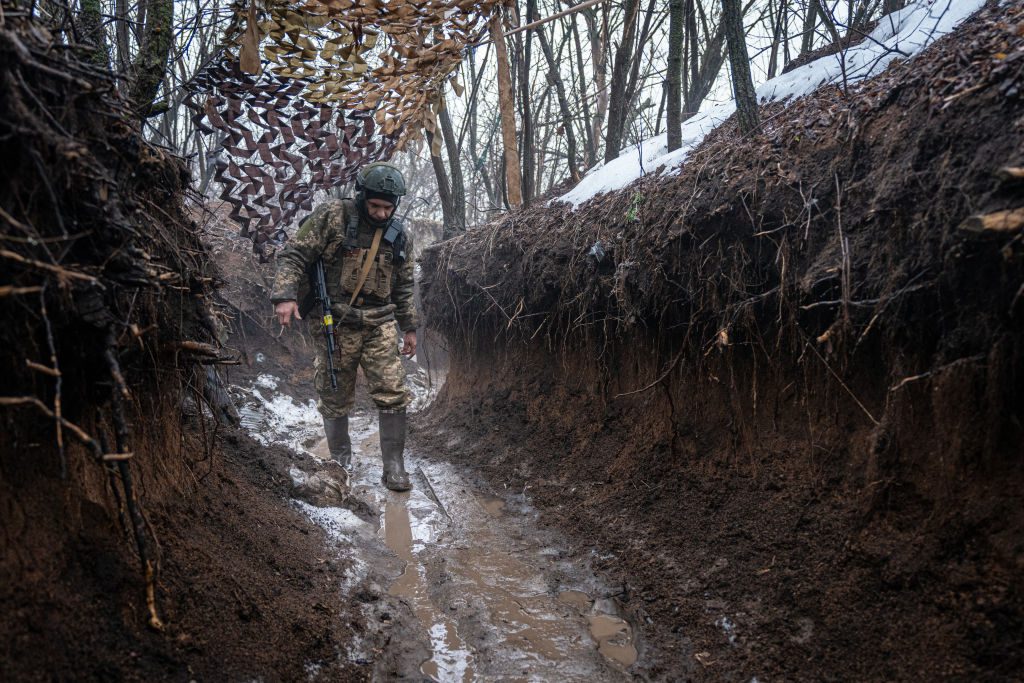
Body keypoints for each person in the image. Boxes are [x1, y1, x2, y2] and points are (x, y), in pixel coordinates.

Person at [271, 162, 418, 491]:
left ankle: (394, 465)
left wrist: (410, 327)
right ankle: (341, 458)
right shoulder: (332, 216)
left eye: (388, 207)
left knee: (393, 393)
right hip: (335, 322)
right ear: (362, 197)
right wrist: (285, 295)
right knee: (334, 393)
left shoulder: (400, 236)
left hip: (380, 322)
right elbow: (295, 254)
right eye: (375, 206)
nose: (381, 214)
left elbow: (404, 285)